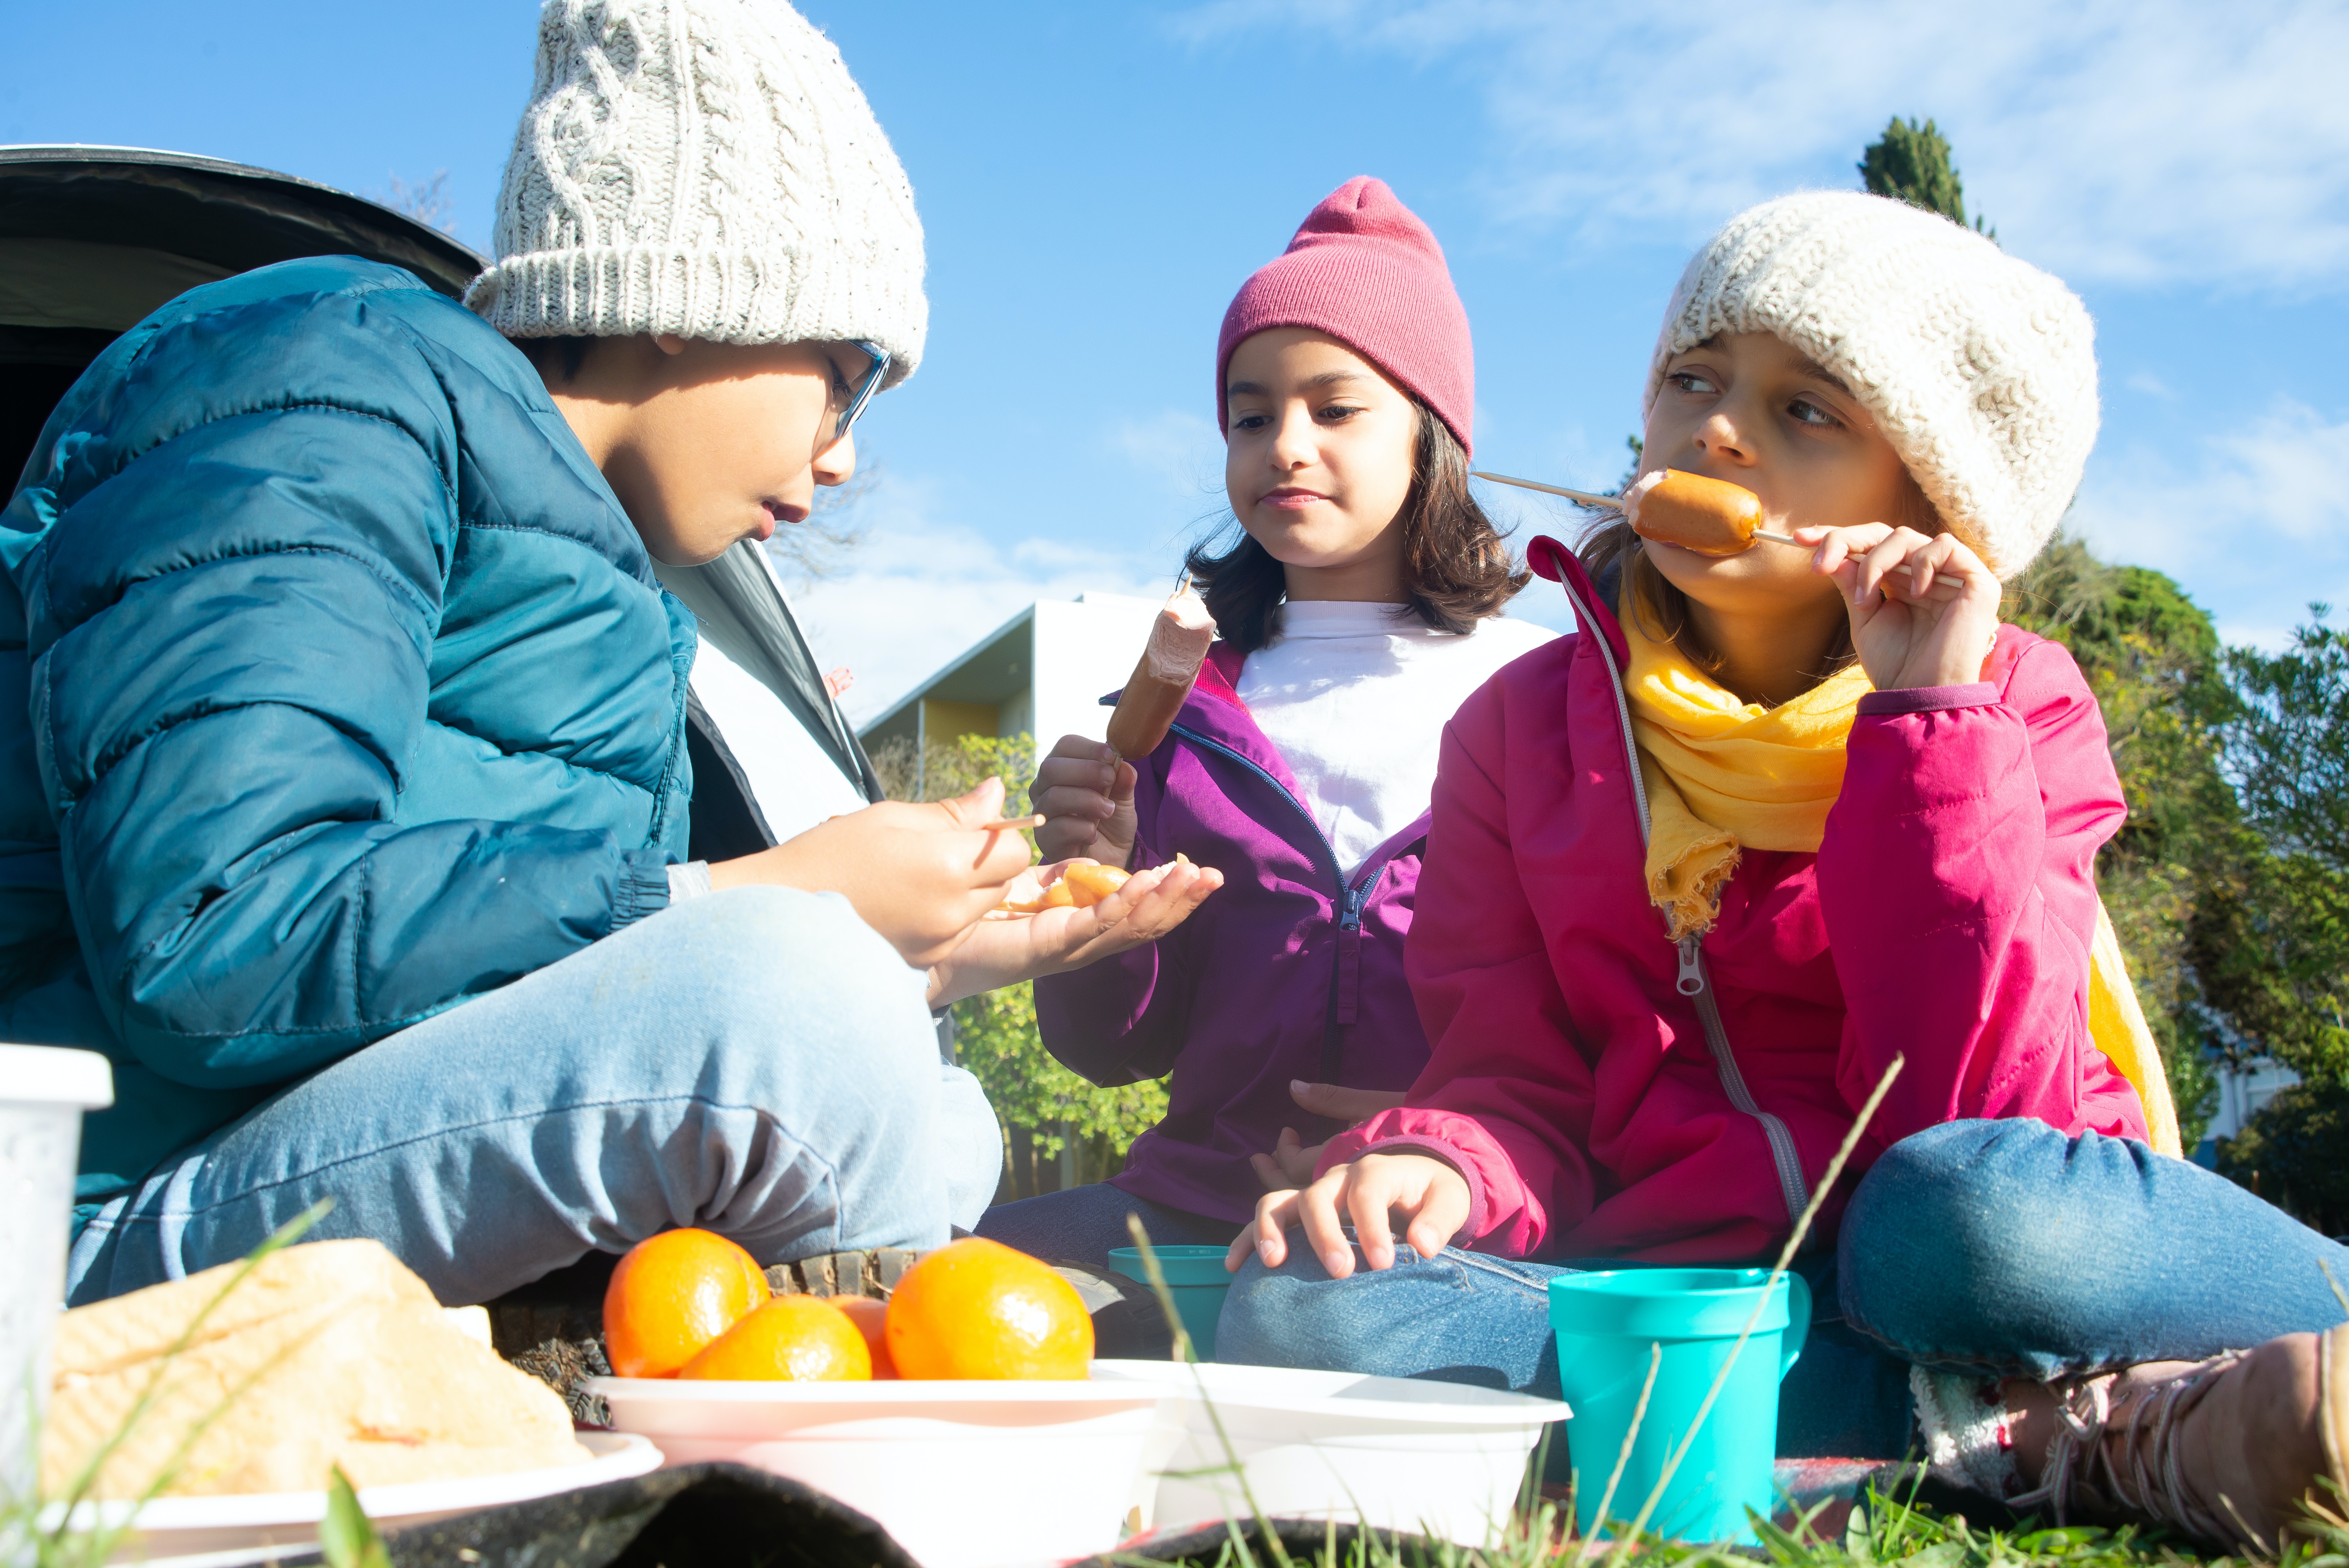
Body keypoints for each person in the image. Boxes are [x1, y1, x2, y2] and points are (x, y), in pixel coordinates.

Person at [8, 0, 1214, 1309]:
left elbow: (479, 980)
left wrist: (924, 957)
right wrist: (754, 899)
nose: (846, 453)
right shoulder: (328, 383)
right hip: (91, 1206)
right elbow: (210, 928)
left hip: (270, 1159)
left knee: (940, 1104)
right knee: (789, 998)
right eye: (849, 374)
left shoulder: (623, 599)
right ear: (695, 293)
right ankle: (870, 1461)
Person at [1216, 191, 2348, 1553]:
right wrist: (1442, 1168)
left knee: (1948, 1222)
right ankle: (2047, 1438)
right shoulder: (1518, 737)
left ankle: (1949, 1416)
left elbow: (1983, 1101)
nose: (1719, 430)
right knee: (1305, 1305)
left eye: (1809, 411)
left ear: (1922, 496)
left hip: (1996, 1235)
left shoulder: (2021, 703)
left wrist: (1928, 723)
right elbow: (1511, 1080)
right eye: (1692, 382)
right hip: (1699, 1292)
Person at [977, 178, 1551, 1276]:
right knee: (969, 1287)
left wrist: (1451, 1132)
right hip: (1198, 1199)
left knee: (1327, 1312)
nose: (1285, 445)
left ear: (1434, 435)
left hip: (1445, 1206)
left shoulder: (1547, 698)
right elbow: (1113, 1046)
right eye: (1251, 415)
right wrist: (1092, 889)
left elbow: (1593, 1005)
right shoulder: (1185, 720)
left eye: (1335, 410)